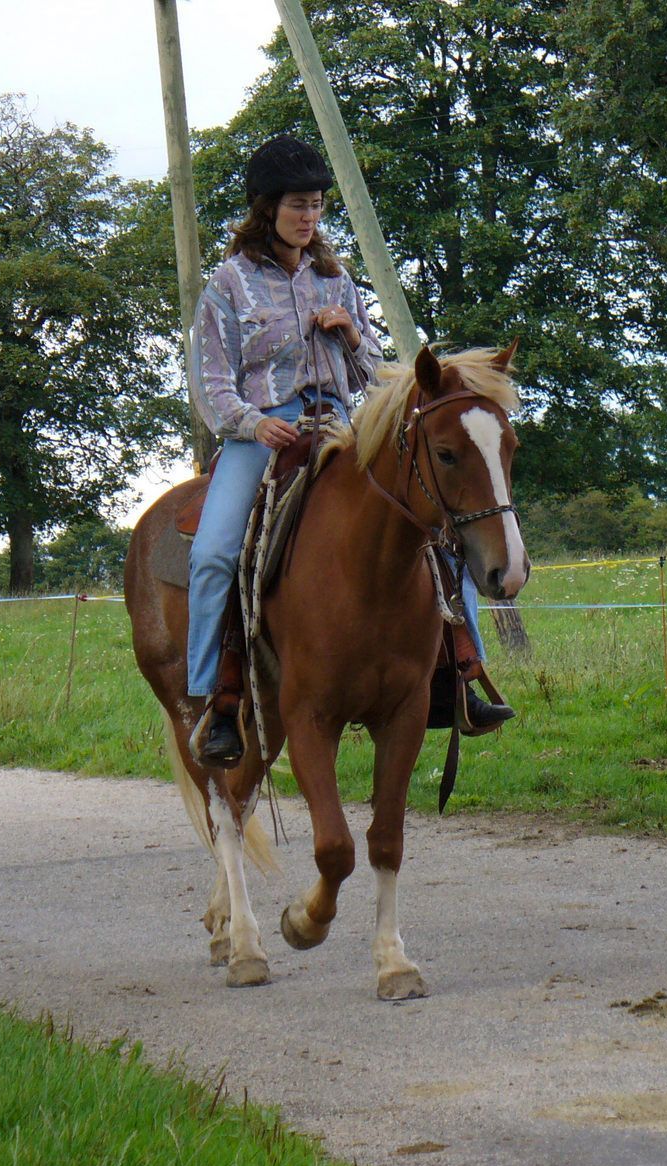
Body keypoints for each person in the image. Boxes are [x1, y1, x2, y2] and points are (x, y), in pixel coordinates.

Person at [186, 135, 511, 766]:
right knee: (214, 553)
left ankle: (464, 675)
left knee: (441, 528)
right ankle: (214, 700)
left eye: (315, 206)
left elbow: (374, 379)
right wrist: (252, 425)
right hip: (265, 434)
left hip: (340, 425)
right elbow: (210, 379)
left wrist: (353, 334)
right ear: (266, 208)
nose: (308, 217)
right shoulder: (229, 284)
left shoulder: (337, 281)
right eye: (296, 205)